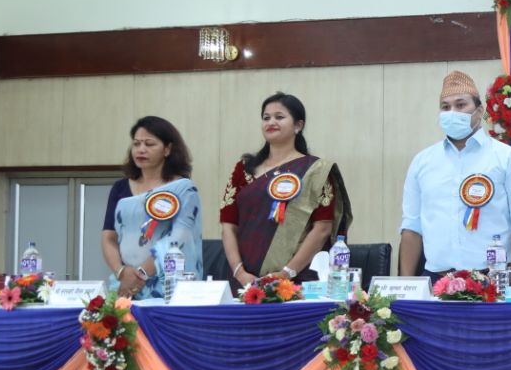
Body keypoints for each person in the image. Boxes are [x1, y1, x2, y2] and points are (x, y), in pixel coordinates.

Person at [399, 70, 511, 279]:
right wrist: (406, 286)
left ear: (479, 111)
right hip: (437, 278)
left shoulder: (507, 158)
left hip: (493, 277)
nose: (452, 112)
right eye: (445, 107)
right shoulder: (422, 162)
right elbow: (411, 227)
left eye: (460, 105)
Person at [220, 92, 352, 287]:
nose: (271, 122)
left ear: (298, 125)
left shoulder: (315, 171)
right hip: (244, 279)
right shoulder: (244, 169)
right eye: (266, 117)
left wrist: (286, 273)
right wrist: (239, 272)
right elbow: (228, 225)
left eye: (279, 117)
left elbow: (322, 228)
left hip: (295, 280)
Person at [101, 116, 202, 299]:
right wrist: (121, 272)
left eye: (149, 144)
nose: (141, 149)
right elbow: (109, 237)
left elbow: (179, 236)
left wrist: (140, 274)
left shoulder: (183, 189)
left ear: (168, 149)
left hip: (170, 284)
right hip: (125, 285)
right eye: (136, 144)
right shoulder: (120, 188)